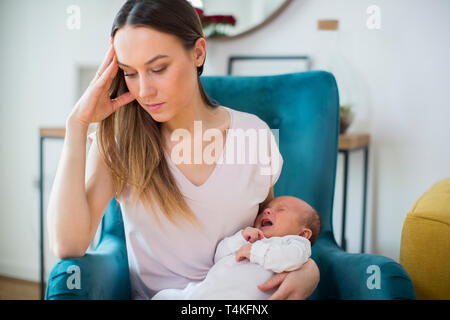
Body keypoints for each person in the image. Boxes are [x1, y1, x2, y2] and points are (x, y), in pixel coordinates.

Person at [46, 0, 320, 300]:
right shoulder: (120, 141)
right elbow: (69, 245)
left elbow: (270, 231)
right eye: (130, 72)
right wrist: (77, 124)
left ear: (198, 52)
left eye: (158, 68)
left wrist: (309, 269)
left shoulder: (254, 135)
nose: (144, 91)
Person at [152, 196, 321, 300]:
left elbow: (290, 258)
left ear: (303, 233)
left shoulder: (296, 244)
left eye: (281, 210)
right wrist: (240, 238)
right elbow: (220, 257)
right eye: (265, 210)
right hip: (203, 293)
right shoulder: (252, 240)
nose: (267, 211)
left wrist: (254, 251)